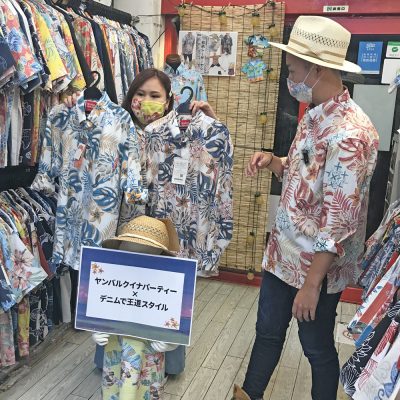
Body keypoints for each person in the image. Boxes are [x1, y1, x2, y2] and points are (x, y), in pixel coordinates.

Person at [232, 16, 379, 400]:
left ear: (317, 69)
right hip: (283, 254)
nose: (289, 77)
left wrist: (312, 285)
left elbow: (339, 220)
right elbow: (305, 175)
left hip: (316, 269)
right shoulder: (315, 115)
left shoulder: (350, 134)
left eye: (293, 69)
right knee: (267, 333)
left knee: (316, 347)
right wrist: (274, 161)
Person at [63, 68, 218, 375]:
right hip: (123, 225)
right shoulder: (113, 125)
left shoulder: (180, 132)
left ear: (169, 99)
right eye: (140, 94)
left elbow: (210, 161)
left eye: (155, 95)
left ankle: (168, 364)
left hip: (167, 224)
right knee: (121, 289)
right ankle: (110, 359)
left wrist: (212, 119)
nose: (146, 101)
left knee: (162, 293)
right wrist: (76, 104)